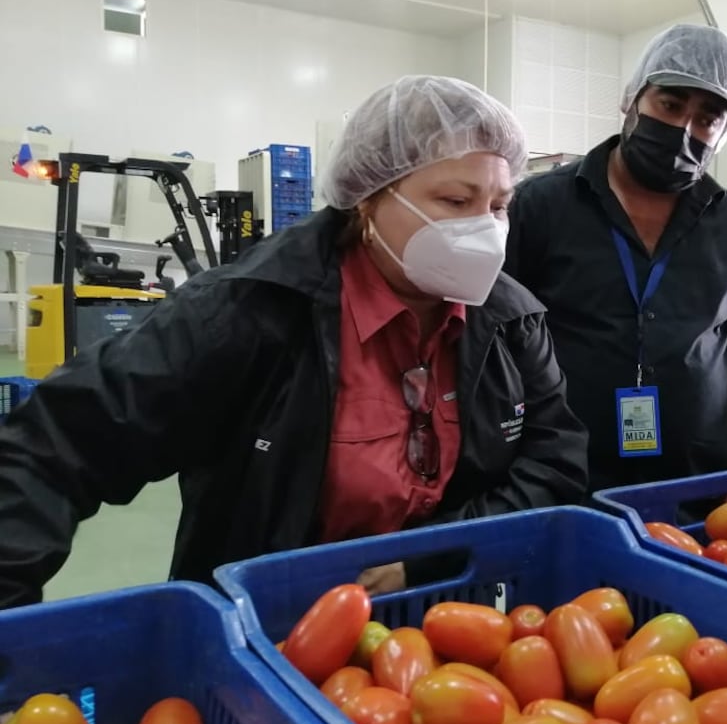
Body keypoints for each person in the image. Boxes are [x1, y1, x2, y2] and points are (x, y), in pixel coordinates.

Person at [0, 75, 589, 608]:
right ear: (369, 196)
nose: (484, 229)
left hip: (452, 632)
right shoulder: (248, 313)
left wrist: (427, 558)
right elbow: (56, 444)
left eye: (499, 206)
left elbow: (553, 460)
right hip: (266, 630)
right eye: (456, 202)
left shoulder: (511, 322)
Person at [503, 23, 727, 492]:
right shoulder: (537, 208)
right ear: (632, 97)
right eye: (671, 105)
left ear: (725, 133)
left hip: (697, 492)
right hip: (559, 487)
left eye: (708, 118)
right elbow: (493, 344)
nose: (683, 130)